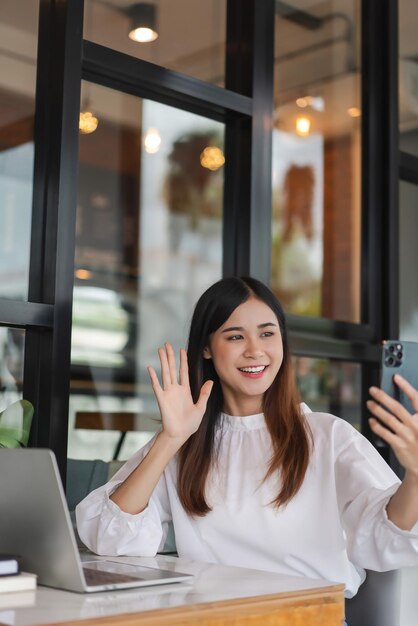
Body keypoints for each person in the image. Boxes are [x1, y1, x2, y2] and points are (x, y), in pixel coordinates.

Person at [76, 276, 418, 601]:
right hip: (213, 617)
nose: (255, 351)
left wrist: (416, 478)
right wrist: (170, 439)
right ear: (207, 348)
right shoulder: (185, 441)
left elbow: (385, 539)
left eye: (267, 334)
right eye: (235, 336)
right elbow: (109, 539)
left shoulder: (327, 435)